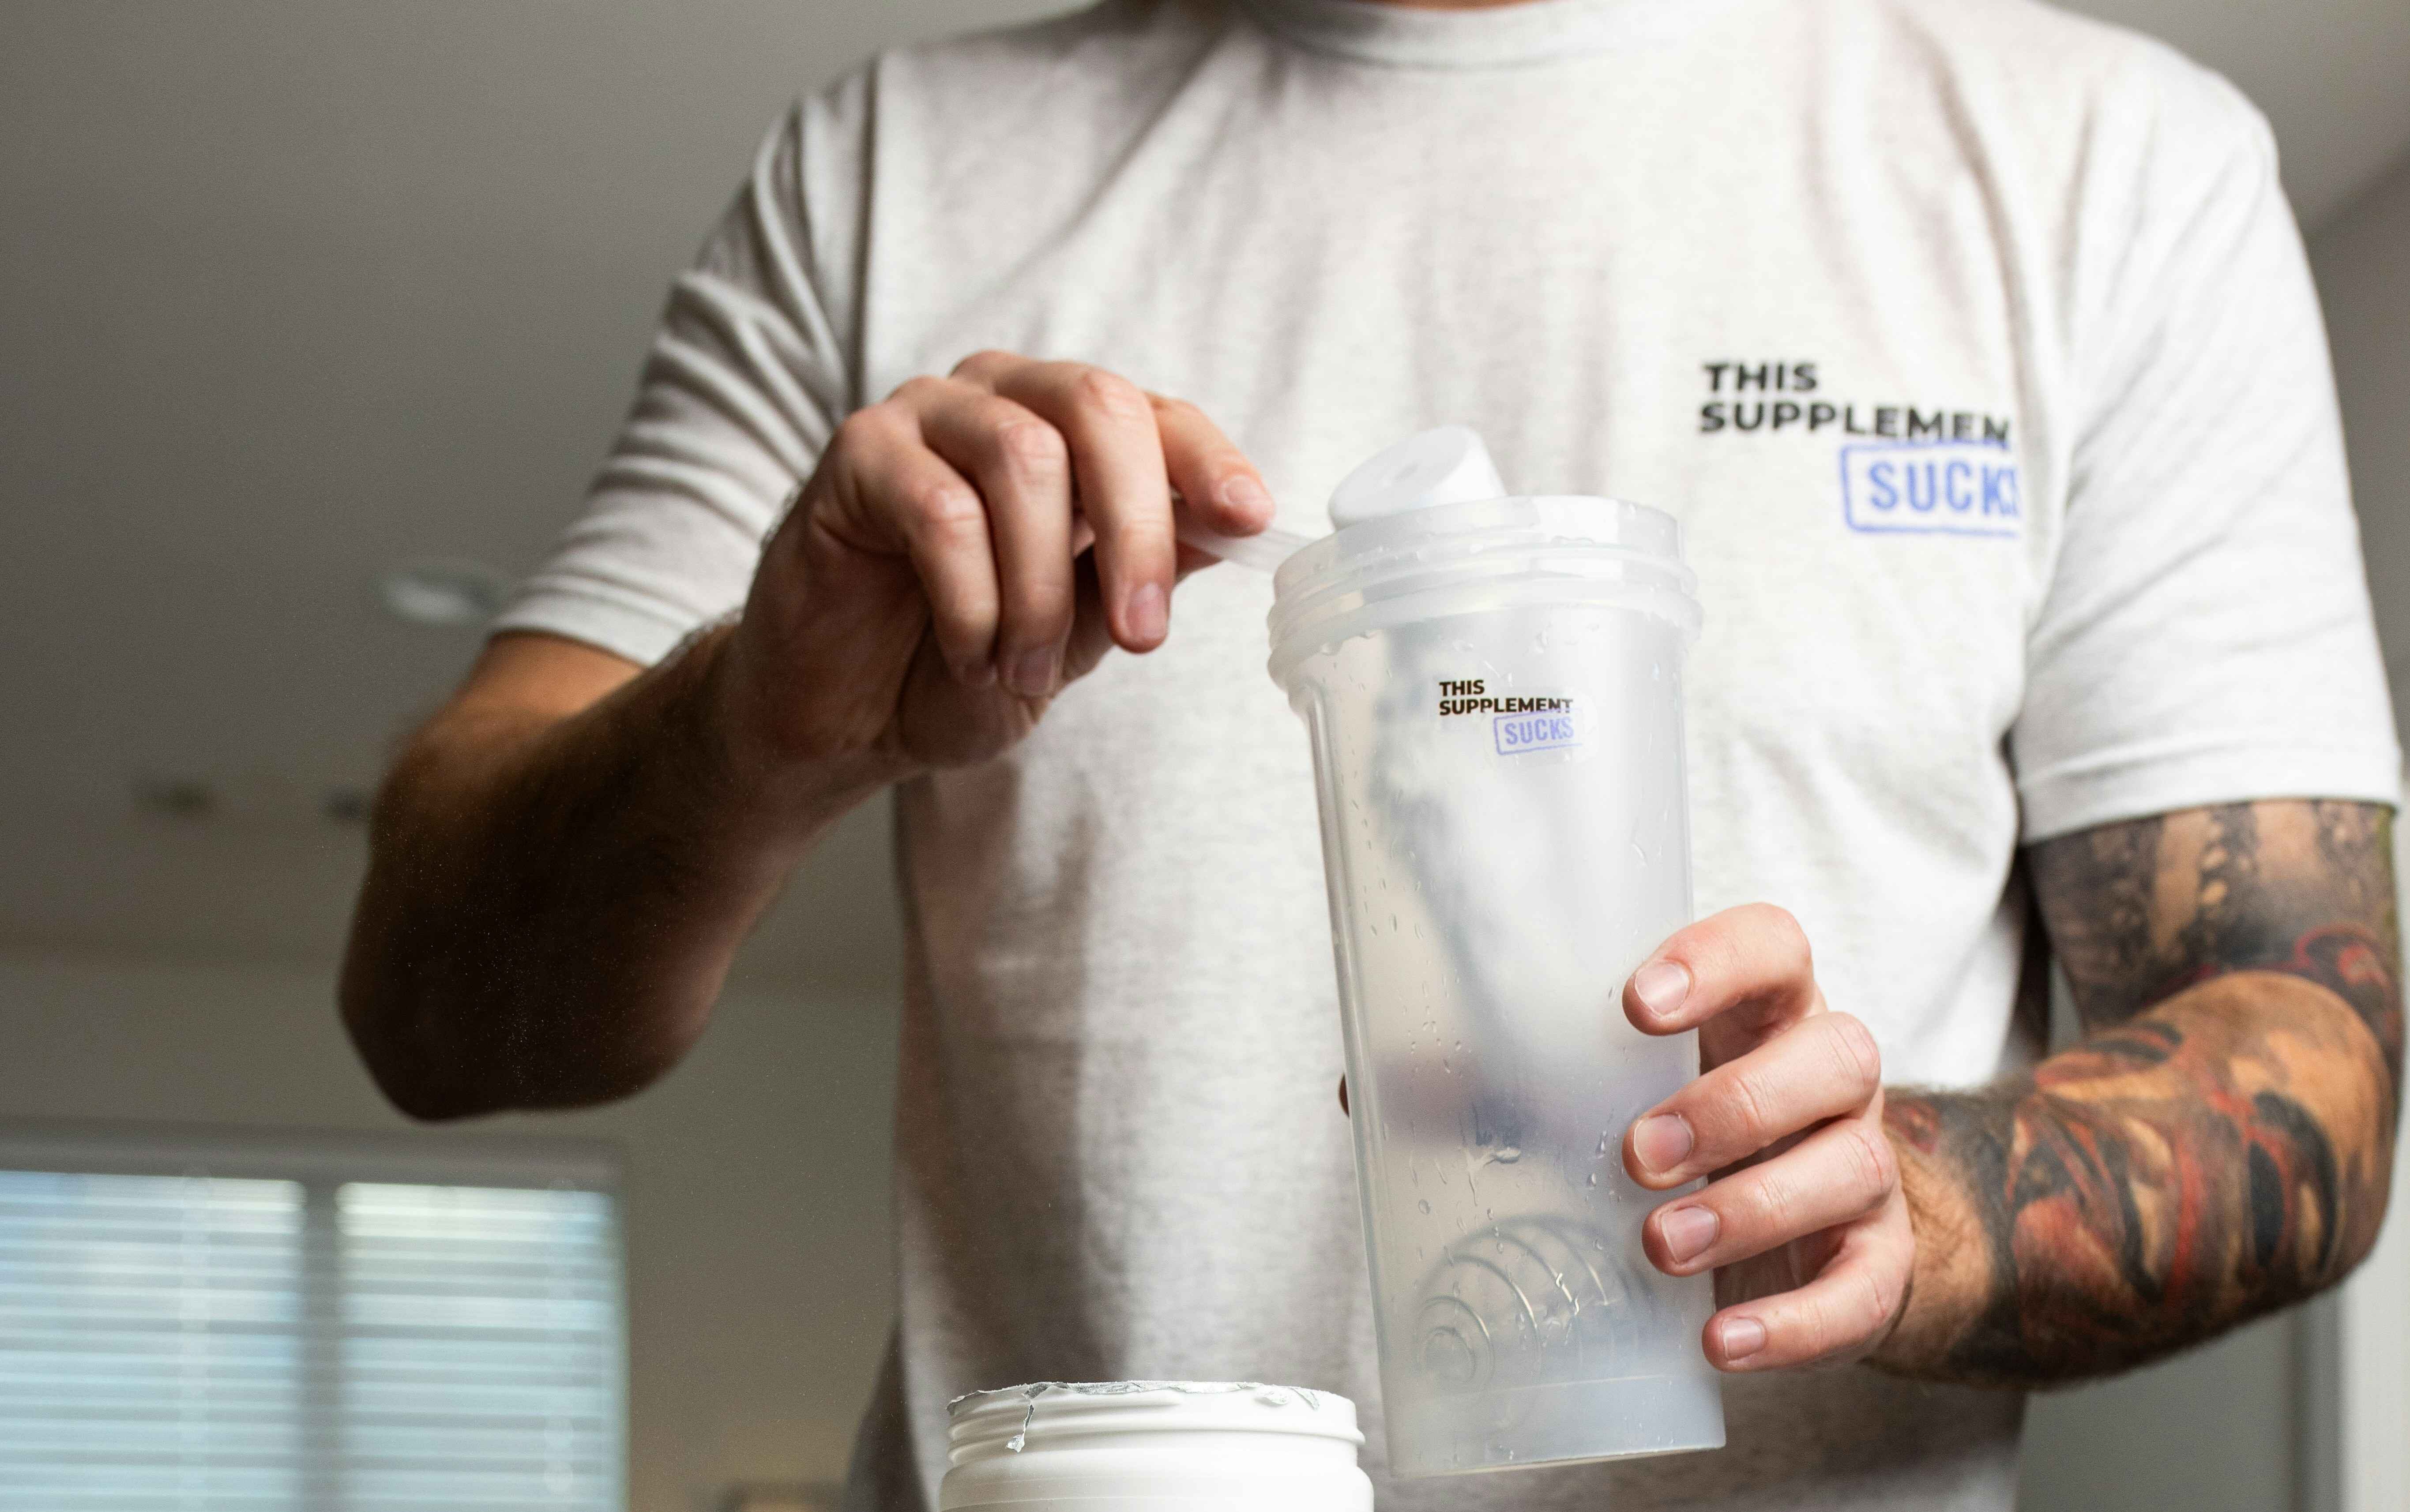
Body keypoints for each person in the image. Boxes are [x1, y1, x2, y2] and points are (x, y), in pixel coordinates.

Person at [339, 0, 2403, 1506]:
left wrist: (1915, 1201)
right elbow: (426, 1000)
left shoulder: (2100, 168)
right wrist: (746, 727)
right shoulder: (892, 169)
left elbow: (2308, 1039)